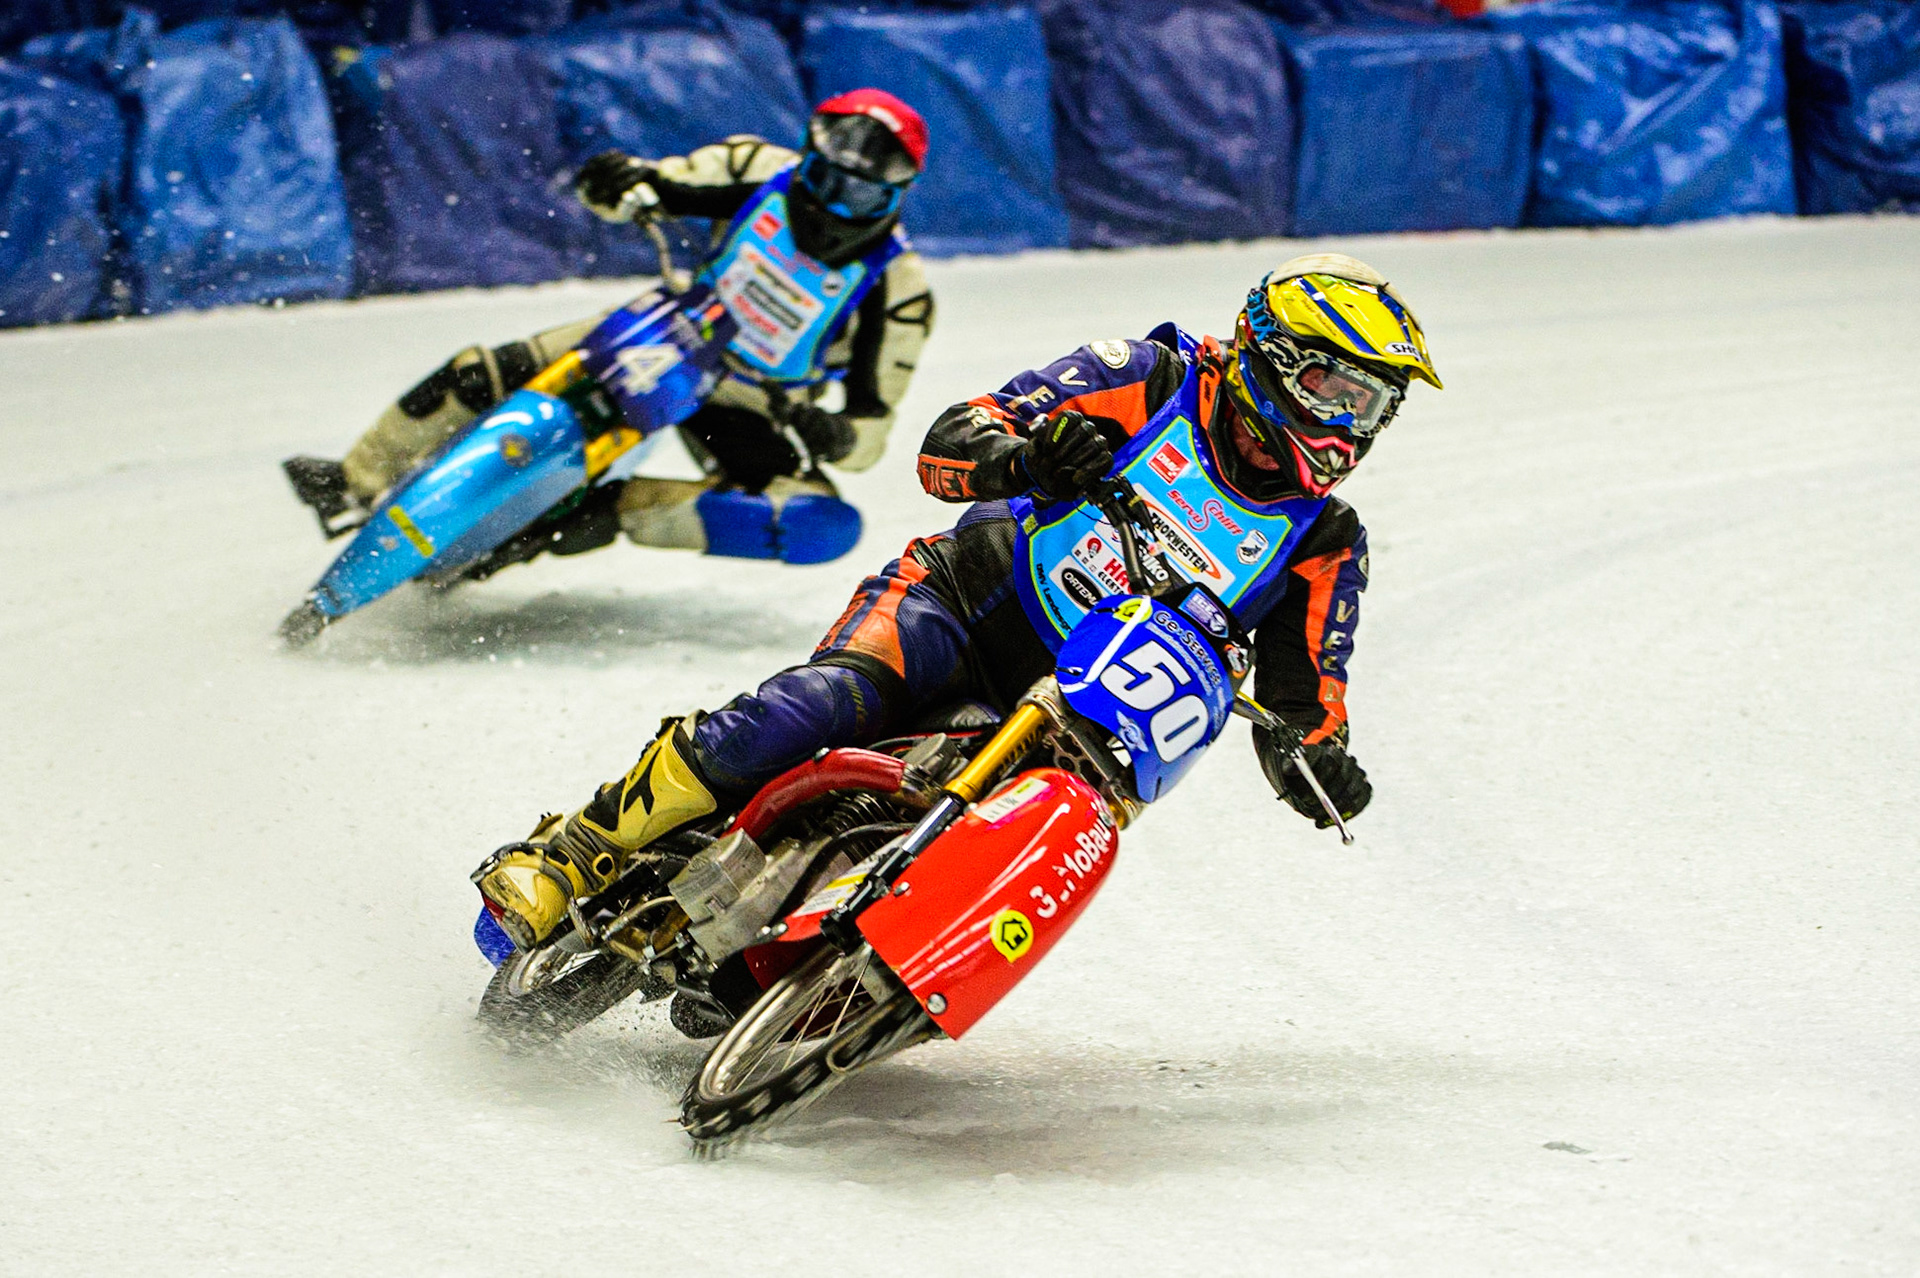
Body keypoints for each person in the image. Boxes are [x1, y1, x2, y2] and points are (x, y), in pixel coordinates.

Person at [476, 253, 1441, 949]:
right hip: (958, 604)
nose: (1350, 422)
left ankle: (838, 973)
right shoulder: (1150, 377)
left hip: (1084, 724)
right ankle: (577, 851)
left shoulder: (1323, 540)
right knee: (817, 706)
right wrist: (1024, 459)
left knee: (1016, 856)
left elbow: (1309, 696)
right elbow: (953, 440)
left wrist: (1320, 765)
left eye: (1372, 404)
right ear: (1267, 355)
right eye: (1334, 387)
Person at [283, 89, 936, 569]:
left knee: (818, 525)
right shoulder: (755, 169)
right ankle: (353, 479)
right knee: (480, 372)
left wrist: (837, 434)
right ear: (807, 154)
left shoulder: (899, 291)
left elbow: (871, 436)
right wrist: (615, 180)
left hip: (754, 404)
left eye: (860, 195)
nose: (831, 205)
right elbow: (648, 187)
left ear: (896, 195)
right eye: (824, 178)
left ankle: (610, 510)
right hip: (669, 333)